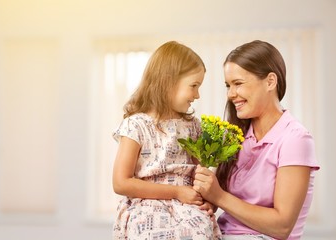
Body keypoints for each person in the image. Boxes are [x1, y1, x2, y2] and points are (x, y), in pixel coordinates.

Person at [193, 40, 320, 240]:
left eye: (238, 83)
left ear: (270, 81)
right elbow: (217, 200)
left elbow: (282, 226)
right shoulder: (235, 137)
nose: (231, 94)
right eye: (228, 85)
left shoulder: (295, 139)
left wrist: (219, 196)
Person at [112, 41, 222, 239]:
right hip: (147, 204)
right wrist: (176, 192)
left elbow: (201, 177)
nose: (197, 95)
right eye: (194, 86)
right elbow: (121, 182)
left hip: (187, 206)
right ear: (169, 82)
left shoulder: (193, 126)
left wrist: (209, 201)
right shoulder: (136, 125)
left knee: (200, 232)